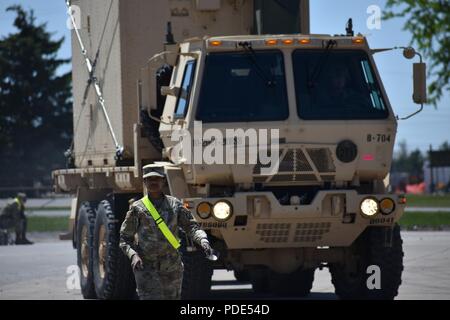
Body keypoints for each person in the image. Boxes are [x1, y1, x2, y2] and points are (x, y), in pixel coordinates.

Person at [119, 164, 214, 300]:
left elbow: (192, 227)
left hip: (172, 268)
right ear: (144, 182)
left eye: (156, 179)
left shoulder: (175, 205)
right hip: (147, 269)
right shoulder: (137, 208)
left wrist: (203, 240)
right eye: (149, 179)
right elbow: (124, 239)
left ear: (163, 181)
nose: (153, 182)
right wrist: (133, 255)